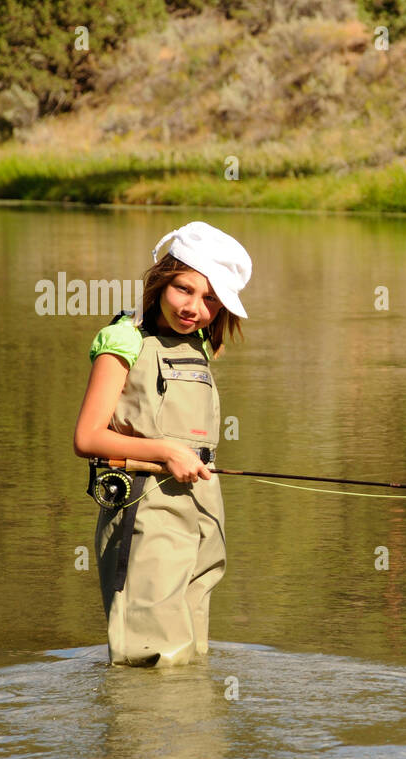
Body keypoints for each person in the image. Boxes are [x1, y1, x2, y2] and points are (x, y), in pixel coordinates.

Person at [73, 221, 252, 667]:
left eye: (211, 298)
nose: (194, 307)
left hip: (203, 509)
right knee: (152, 657)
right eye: (183, 289)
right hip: (145, 508)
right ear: (159, 282)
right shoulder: (124, 339)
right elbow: (88, 436)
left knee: (192, 655)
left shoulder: (201, 345)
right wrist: (168, 452)